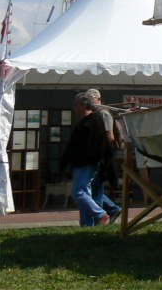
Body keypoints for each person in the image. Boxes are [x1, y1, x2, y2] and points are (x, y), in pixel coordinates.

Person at [60, 92, 113, 226]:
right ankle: (87, 224)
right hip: (81, 163)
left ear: (84, 104)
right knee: (85, 193)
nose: (74, 106)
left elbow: (99, 144)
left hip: (87, 163)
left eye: (76, 103)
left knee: (78, 191)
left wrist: (99, 161)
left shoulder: (94, 121)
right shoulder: (83, 122)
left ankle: (100, 214)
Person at [87, 88, 121, 223]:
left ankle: (99, 218)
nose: (90, 101)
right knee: (94, 188)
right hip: (94, 156)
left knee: (96, 188)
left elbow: (110, 136)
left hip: (101, 156)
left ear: (98, 99)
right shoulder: (92, 114)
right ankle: (112, 209)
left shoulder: (104, 114)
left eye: (92, 99)